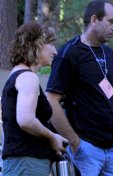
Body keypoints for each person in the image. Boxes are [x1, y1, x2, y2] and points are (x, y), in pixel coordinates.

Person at [46, 0, 113, 175]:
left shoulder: (110, 54)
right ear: (94, 20)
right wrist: (74, 142)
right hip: (86, 150)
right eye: (111, 21)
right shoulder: (69, 53)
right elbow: (51, 100)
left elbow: (111, 96)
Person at [1, 22, 67, 175]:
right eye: (51, 44)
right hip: (28, 164)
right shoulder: (28, 78)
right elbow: (25, 119)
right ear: (37, 44)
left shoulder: (17, 75)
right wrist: (52, 137)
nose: (55, 52)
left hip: (22, 163)